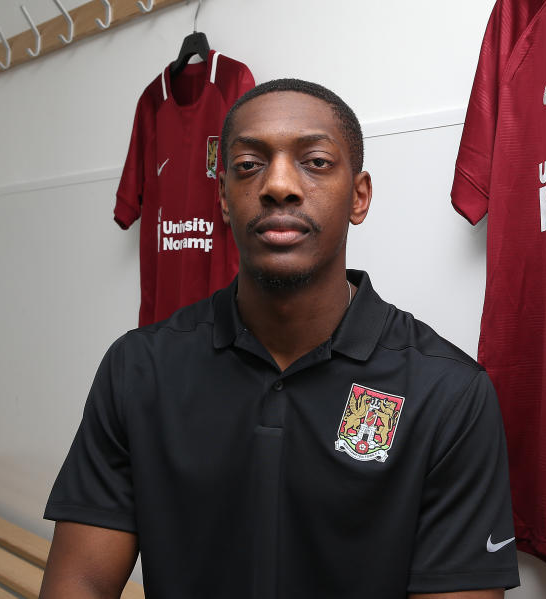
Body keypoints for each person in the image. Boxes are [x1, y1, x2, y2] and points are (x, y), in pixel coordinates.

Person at [39, 79, 520, 599]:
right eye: (248, 165)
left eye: (314, 161)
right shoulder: (139, 369)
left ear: (359, 197)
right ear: (223, 199)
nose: (279, 185)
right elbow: (81, 581)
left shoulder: (447, 393)